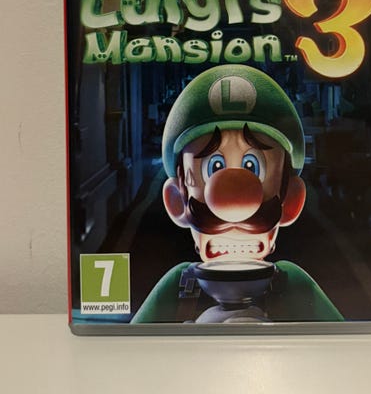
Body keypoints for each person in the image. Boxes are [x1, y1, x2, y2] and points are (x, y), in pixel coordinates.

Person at [132, 65, 342, 323]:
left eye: (253, 167)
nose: (233, 205)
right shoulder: (179, 285)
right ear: (177, 200)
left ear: (290, 200)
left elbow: (348, 346)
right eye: (214, 167)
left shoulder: (292, 283)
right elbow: (126, 348)